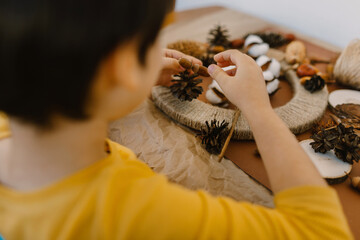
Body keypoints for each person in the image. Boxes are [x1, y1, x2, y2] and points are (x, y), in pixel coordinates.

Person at [0, 0, 353, 239]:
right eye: (155, 37)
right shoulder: (131, 215)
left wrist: (120, 80)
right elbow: (321, 230)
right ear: (121, 68)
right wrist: (258, 110)